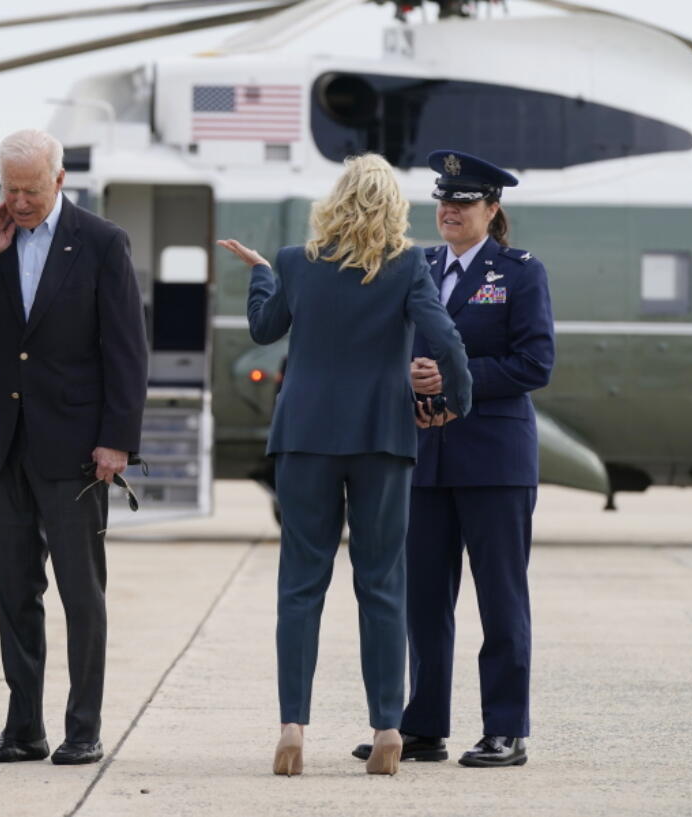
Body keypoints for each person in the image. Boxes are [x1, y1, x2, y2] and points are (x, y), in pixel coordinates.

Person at [218, 152, 471, 778]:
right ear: (394, 208)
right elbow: (444, 339)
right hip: (382, 440)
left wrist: (259, 274)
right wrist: (456, 401)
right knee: (382, 583)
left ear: (334, 201)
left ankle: (293, 728)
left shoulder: (295, 264)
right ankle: (387, 726)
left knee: (300, 585)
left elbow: (261, 328)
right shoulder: (410, 266)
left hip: (304, 437)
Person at [0, 129, 148, 766]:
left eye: (31, 190)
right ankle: (23, 729)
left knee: (80, 592)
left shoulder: (101, 243)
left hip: (76, 449)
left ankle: (82, 728)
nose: (19, 202)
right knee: (13, 591)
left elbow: (127, 352)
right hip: (7, 445)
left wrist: (117, 442)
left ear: (59, 181)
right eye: (10, 189)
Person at [354, 149, 555, 768]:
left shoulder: (520, 272)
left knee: (500, 599)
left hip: (493, 460)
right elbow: (387, 348)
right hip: (424, 457)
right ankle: (423, 726)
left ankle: (505, 729)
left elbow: (534, 364)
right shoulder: (416, 265)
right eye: (443, 200)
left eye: (464, 202)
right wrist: (405, 383)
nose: (449, 210)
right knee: (422, 603)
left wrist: (449, 375)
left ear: (492, 209)